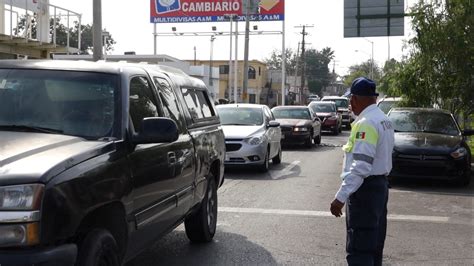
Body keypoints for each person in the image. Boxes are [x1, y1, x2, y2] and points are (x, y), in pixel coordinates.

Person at [330, 77, 395, 266]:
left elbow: (360, 167)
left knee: (359, 247)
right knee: (374, 244)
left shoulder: (366, 123)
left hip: (365, 190)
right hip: (380, 187)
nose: (350, 104)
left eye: (351, 99)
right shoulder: (384, 120)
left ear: (357, 99)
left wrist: (340, 197)